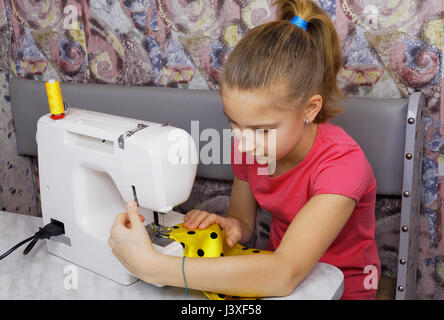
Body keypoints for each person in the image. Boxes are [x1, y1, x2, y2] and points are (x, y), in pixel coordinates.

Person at [107, 0, 381, 299]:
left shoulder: (342, 165)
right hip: (278, 282)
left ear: (310, 109)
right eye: (234, 123)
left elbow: (284, 272)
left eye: (261, 130)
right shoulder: (249, 148)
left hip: (340, 288)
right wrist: (231, 225)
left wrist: (153, 266)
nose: (244, 142)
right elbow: (244, 223)